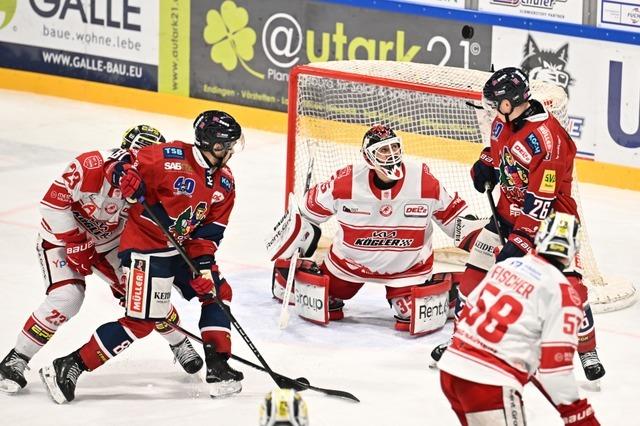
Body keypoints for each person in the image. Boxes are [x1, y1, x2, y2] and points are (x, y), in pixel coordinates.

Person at [39, 111, 245, 403]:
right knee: (142, 322)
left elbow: (208, 234)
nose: (230, 151)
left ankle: (219, 365)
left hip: (183, 249)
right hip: (146, 249)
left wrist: (202, 267)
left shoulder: (225, 183)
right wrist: (122, 173)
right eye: (225, 145)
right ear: (208, 142)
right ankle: (69, 365)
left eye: (232, 145)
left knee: (218, 292)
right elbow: (120, 161)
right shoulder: (170, 156)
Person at [0, 125, 202, 394]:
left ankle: (179, 343)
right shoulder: (90, 165)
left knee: (147, 297)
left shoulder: (154, 184)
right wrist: (74, 242)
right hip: (60, 239)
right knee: (67, 298)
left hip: (111, 246)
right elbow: (51, 205)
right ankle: (17, 358)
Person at [432, 67, 604, 381]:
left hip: (554, 220)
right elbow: (500, 150)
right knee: (473, 279)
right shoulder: (503, 121)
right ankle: (462, 340)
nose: (490, 109)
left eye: (494, 103)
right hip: (508, 213)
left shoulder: (548, 141)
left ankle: (587, 348)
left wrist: (520, 241)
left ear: (509, 103)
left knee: (571, 290)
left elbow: (542, 198)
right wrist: (486, 163)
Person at [269, 124, 485, 334]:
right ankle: (286, 273)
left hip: (407, 270)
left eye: (395, 147)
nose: (391, 155)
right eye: (383, 150)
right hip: (349, 266)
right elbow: (306, 211)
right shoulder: (345, 183)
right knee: (323, 302)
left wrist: (481, 239)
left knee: (411, 314)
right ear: (368, 157)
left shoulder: (423, 180)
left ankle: (452, 288)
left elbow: (454, 218)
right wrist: (296, 242)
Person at [438, 212, 600, 426]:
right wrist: (578, 414)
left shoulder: (505, 267)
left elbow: (467, 313)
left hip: (452, 367)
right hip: (489, 383)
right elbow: (555, 371)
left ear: (539, 240)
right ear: (573, 252)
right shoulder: (563, 294)